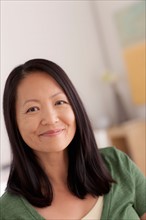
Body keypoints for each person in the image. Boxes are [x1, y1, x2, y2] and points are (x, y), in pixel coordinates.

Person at [0, 58, 145, 220]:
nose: (50, 118)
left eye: (59, 102)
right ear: (14, 122)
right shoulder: (6, 212)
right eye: (32, 109)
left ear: (75, 107)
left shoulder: (117, 165)